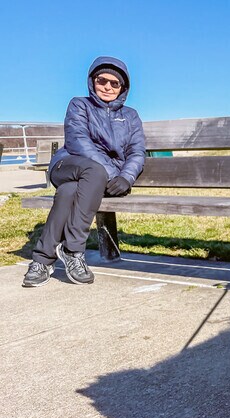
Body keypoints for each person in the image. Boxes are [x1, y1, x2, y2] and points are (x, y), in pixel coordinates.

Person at [22, 56, 146, 287]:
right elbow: (79, 142)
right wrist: (111, 174)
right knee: (92, 172)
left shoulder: (130, 116)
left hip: (91, 181)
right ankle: (73, 249)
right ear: (92, 82)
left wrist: (126, 178)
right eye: (102, 80)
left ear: (123, 88)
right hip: (68, 165)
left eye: (114, 83)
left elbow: (137, 151)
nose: (108, 86)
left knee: (69, 192)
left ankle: (42, 259)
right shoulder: (80, 105)